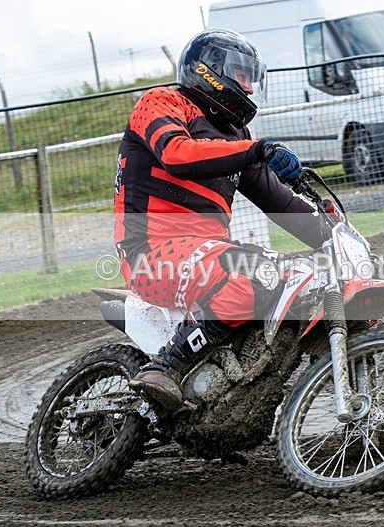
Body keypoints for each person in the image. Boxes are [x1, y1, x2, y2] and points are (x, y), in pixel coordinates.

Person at [113, 29, 324, 412]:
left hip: (206, 254)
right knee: (249, 274)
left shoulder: (236, 135)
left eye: (252, 77)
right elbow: (177, 153)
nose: (249, 86)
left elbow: (281, 203)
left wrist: (339, 237)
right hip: (149, 253)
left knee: (297, 277)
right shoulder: (160, 102)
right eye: (241, 74)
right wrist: (256, 149)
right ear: (209, 69)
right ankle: (167, 365)